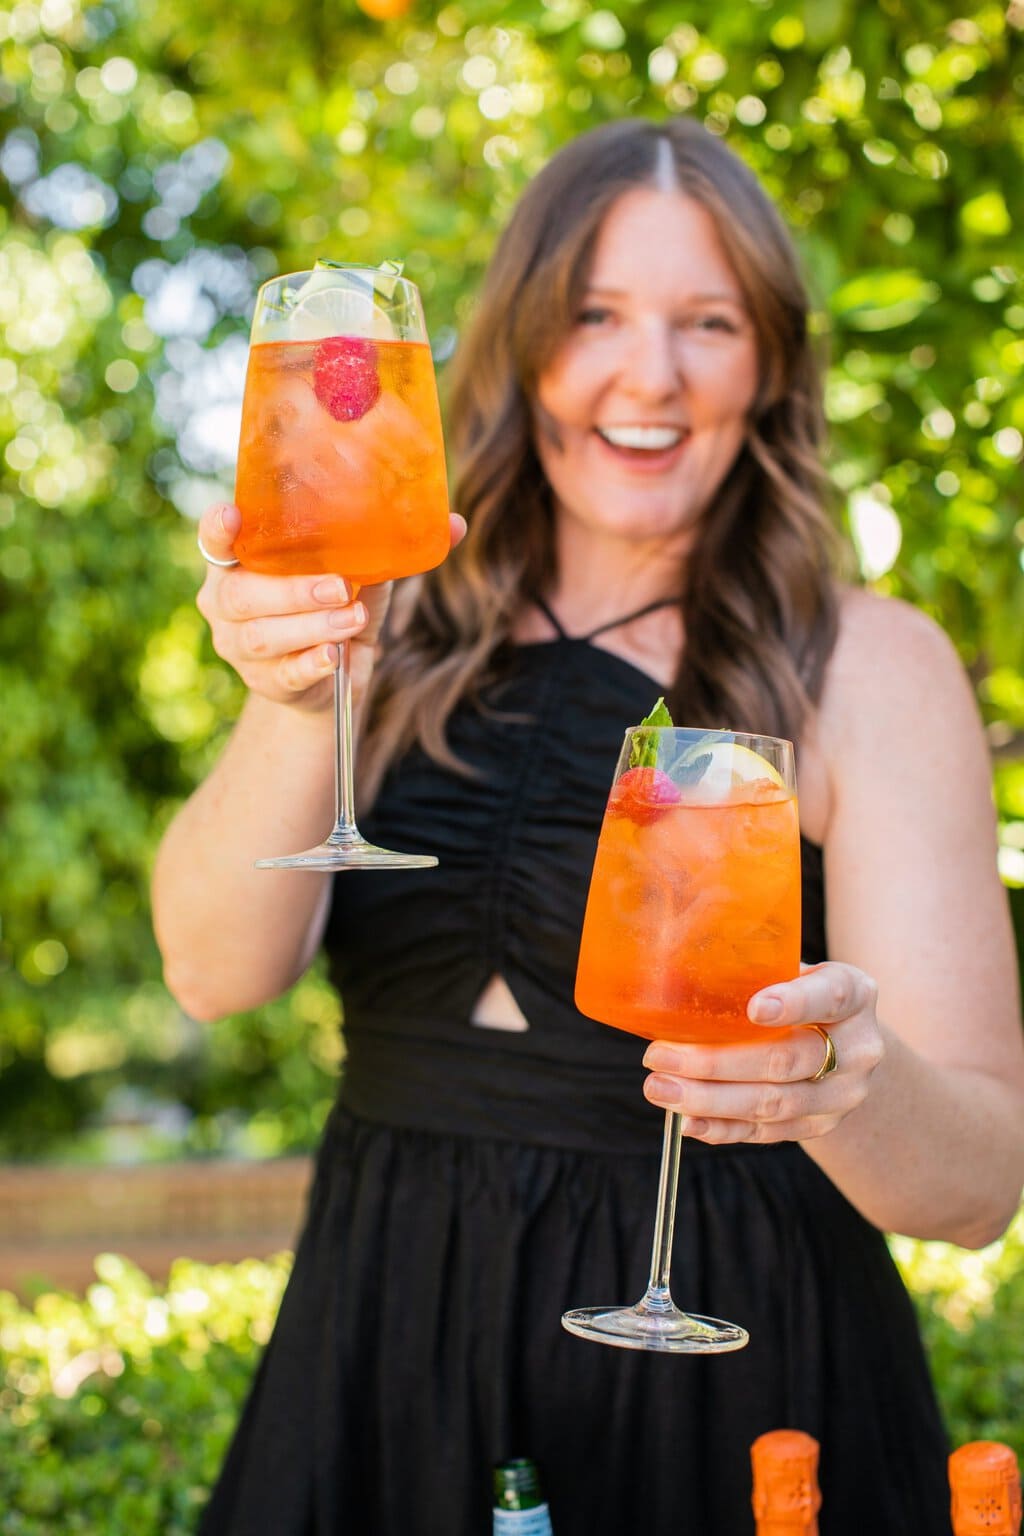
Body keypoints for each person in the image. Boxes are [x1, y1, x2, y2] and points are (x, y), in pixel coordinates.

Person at [152, 117, 1024, 1536]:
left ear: (774, 364)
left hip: (739, 1367)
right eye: (597, 314)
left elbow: (981, 1184)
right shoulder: (396, 609)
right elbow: (209, 971)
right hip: (387, 1335)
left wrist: (839, 1079)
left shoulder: (868, 663)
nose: (650, 374)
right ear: (522, 346)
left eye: (710, 322)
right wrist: (297, 698)